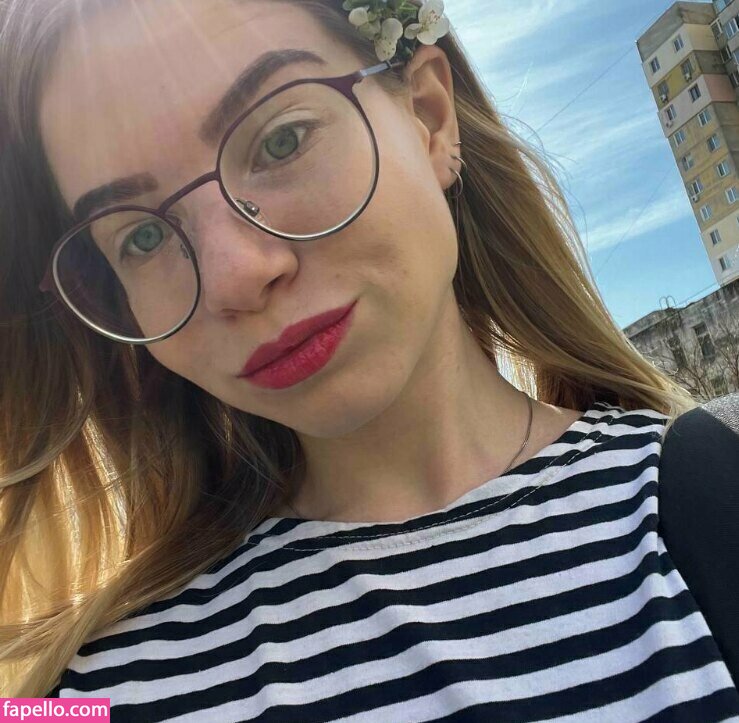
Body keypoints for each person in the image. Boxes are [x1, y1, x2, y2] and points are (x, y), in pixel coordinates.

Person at [1, 0, 736, 719]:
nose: (233, 277)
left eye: (282, 141)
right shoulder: (98, 692)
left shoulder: (699, 497)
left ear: (428, 116)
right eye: (142, 237)